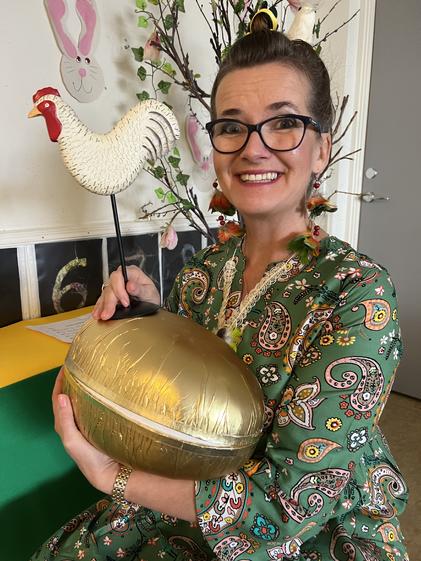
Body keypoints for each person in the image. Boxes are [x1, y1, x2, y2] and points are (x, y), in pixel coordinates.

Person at [30, 10, 409, 561]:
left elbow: (288, 508)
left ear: (322, 149)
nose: (254, 148)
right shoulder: (202, 273)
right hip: (186, 491)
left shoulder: (358, 295)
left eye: (284, 123)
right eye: (232, 126)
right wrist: (153, 323)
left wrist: (113, 477)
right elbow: (176, 403)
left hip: (310, 530)